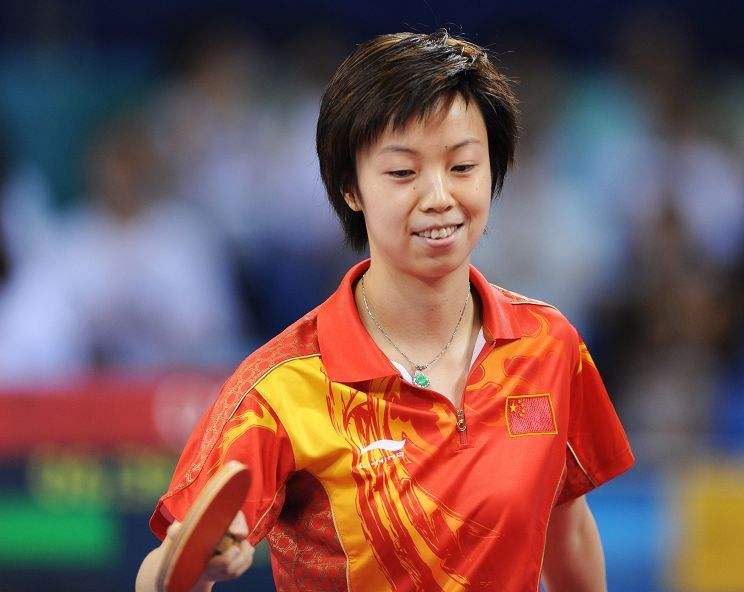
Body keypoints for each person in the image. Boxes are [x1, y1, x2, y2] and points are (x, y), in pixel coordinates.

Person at [136, 29, 634, 592]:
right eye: (402, 173)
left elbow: (566, 529)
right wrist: (191, 565)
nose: (439, 197)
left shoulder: (548, 345)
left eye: (463, 167)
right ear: (351, 188)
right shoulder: (281, 389)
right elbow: (163, 568)